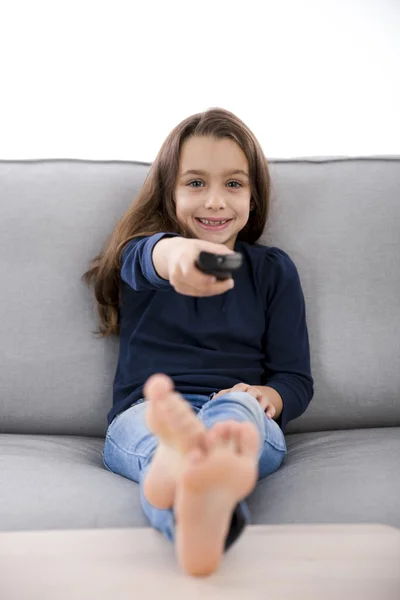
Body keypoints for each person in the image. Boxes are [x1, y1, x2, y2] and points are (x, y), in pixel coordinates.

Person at [82, 107, 314, 577]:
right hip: (149, 415)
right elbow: (152, 255)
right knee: (164, 447)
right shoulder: (143, 257)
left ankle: (193, 473)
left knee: (233, 419)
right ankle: (196, 486)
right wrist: (180, 254)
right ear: (169, 192)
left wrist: (267, 396)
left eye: (233, 184)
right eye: (195, 183)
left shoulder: (272, 271)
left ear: (254, 194)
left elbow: (294, 379)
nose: (214, 201)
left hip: (237, 413)